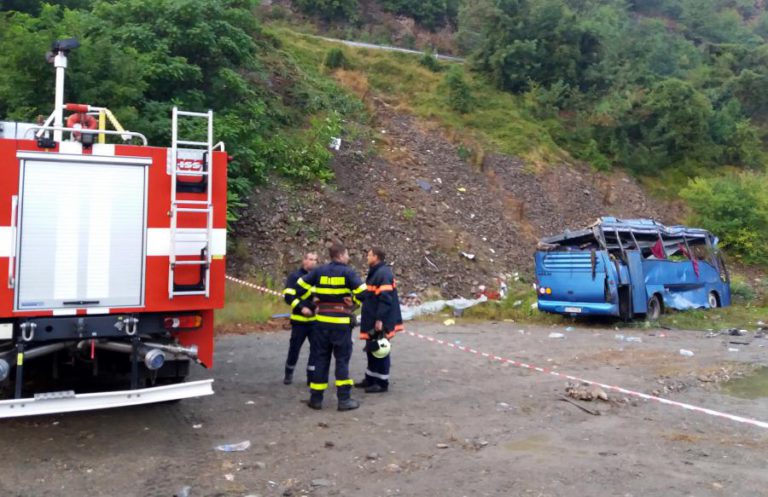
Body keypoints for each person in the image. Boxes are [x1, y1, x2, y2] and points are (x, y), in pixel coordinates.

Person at [296, 243, 368, 411]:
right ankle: (344, 399)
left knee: (321, 359)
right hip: (341, 324)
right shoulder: (348, 272)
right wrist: (353, 301)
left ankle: (316, 399)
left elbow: (299, 285)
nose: (348, 257)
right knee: (342, 361)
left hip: (321, 322)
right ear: (341, 255)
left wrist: (315, 299)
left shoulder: (319, 271)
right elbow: (364, 293)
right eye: (347, 254)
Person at [356, 247, 403, 393]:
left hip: (380, 320)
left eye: (369, 255)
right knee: (372, 349)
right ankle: (370, 379)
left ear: (376, 257)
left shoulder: (383, 273)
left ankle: (382, 383)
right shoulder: (375, 272)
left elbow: (385, 299)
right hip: (372, 318)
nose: (367, 257)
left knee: (381, 350)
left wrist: (380, 319)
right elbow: (370, 294)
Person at [282, 252, 319, 385]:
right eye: (310, 259)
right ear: (304, 260)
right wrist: (301, 307)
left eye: (315, 260)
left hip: (314, 321)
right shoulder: (295, 277)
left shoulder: (317, 277)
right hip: (299, 320)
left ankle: (311, 376)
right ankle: (289, 372)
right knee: (294, 348)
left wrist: (319, 304)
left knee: (316, 349)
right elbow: (288, 297)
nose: (313, 262)